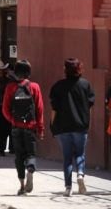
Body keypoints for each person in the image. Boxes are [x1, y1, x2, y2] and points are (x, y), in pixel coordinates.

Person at [49, 58, 94, 197]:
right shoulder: (86, 85)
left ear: (65, 69)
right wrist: (87, 123)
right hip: (80, 126)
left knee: (67, 158)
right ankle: (80, 174)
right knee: (80, 154)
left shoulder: (57, 86)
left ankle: (68, 188)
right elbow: (89, 107)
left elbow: (54, 109)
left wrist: (52, 125)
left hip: (63, 127)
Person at [2, 60, 44, 196]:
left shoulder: (10, 87)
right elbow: (39, 109)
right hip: (30, 127)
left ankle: (21, 186)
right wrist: (40, 128)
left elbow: (5, 110)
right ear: (28, 72)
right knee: (31, 154)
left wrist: (13, 120)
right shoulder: (35, 87)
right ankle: (30, 170)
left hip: (16, 127)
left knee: (19, 156)